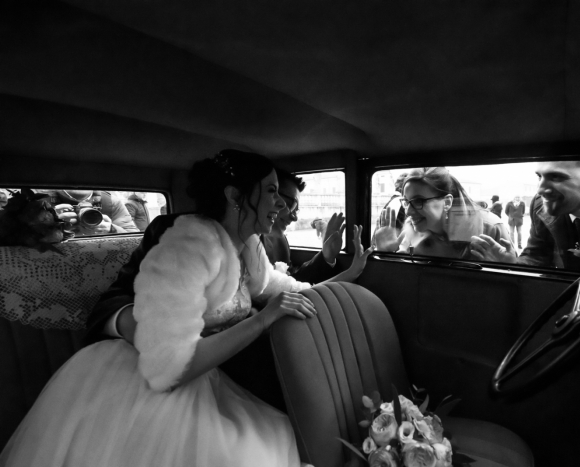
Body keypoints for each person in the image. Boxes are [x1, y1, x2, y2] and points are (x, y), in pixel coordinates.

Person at [0, 150, 373, 467]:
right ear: (235, 196)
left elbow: (287, 290)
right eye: (273, 192)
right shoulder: (187, 242)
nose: (283, 206)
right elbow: (171, 358)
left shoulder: (252, 247)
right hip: (149, 374)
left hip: (213, 369)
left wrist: (349, 274)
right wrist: (262, 318)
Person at [471, 160, 580, 271]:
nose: (540, 190)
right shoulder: (540, 205)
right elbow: (538, 255)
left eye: (556, 177)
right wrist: (513, 264)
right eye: (539, 176)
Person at [373, 167, 512, 260]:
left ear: (447, 202)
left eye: (418, 201)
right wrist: (386, 255)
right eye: (406, 202)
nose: (408, 212)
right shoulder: (411, 230)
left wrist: (508, 267)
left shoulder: (490, 228)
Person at [262, 169, 342, 284]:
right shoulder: (245, 242)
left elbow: (291, 281)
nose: (294, 218)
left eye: (296, 210)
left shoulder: (280, 241)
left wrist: (326, 256)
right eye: (291, 205)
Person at [51, 189, 139, 235]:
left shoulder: (111, 202)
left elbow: (134, 239)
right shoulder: (42, 202)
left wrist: (111, 229)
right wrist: (50, 223)